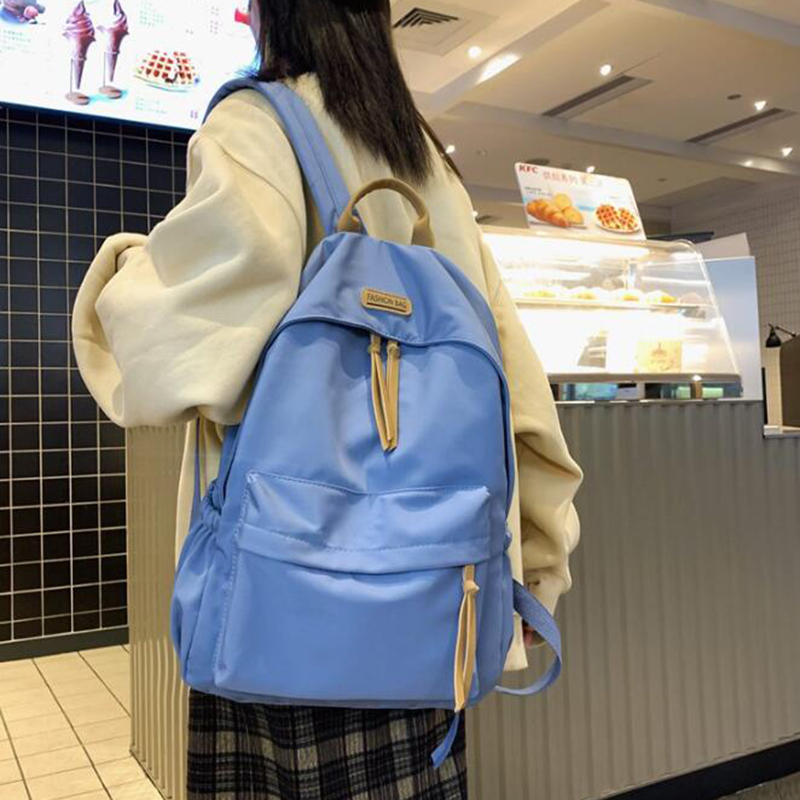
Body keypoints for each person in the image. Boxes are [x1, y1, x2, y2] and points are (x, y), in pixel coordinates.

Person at [73, 1, 583, 797]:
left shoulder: (256, 127)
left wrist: (124, 265)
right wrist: (539, 566)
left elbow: (170, 358)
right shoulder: (427, 161)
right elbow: (518, 391)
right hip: (436, 603)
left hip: (284, 605)